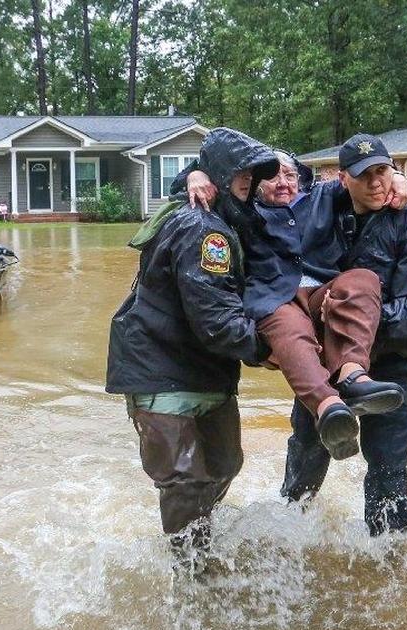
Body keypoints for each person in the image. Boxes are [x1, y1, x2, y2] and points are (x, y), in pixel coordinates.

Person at [106, 127, 278, 571]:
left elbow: (305, 193)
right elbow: (216, 321)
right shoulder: (205, 231)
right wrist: (269, 349)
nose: (250, 181)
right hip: (160, 369)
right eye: (242, 172)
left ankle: (197, 544)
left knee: (224, 465)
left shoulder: (233, 216)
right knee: (185, 481)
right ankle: (192, 580)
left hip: (206, 373)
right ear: (220, 175)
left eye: (254, 174)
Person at [175, 152, 407, 460]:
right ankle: (329, 407)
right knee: (289, 325)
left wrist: (398, 177)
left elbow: (361, 178)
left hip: (321, 293)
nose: (284, 183)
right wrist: (194, 175)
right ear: (256, 182)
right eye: (274, 176)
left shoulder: (322, 197)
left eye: (290, 175)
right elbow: (198, 182)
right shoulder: (243, 209)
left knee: (363, 280)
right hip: (275, 297)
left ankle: (353, 376)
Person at [281, 134, 407, 536]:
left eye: (383, 171)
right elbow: (265, 182)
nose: (376, 183)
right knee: (304, 458)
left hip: (393, 370)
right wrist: (195, 176)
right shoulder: (320, 207)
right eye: (364, 175)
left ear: (395, 171)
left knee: (388, 472)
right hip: (326, 371)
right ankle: (289, 538)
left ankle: (388, 564)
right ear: (343, 179)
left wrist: (346, 316)